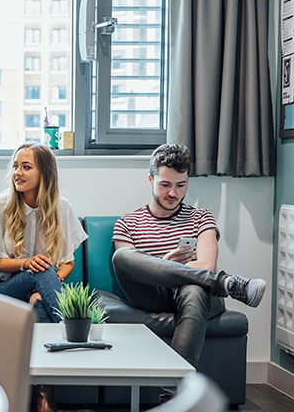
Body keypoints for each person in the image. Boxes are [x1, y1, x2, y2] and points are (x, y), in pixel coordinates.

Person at [112, 143, 266, 381]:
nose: (173, 193)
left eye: (180, 185)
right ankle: (227, 284)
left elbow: (206, 267)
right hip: (152, 294)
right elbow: (130, 270)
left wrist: (172, 271)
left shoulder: (201, 218)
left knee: (194, 289)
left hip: (196, 295)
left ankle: (174, 398)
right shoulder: (127, 222)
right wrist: (163, 264)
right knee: (122, 256)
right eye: (165, 185)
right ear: (150, 179)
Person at [0, 143, 87, 412]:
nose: (17, 172)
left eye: (26, 167)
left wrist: (43, 288)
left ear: (45, 173)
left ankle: (40, 394)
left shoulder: (62, 208)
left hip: (43, 289)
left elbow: (68, 263)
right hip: (4, 291)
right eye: (15, 166)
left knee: (39, 306)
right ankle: (72, 332)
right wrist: (27, 265)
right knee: (41, 266)